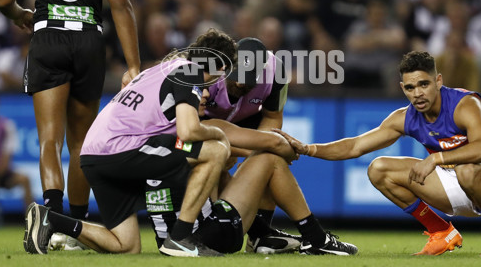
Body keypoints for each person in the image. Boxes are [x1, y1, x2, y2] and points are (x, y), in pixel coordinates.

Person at [0, 0, 140, 250]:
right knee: (81, 143)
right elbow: (121, 8)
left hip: (49, 37)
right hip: (89, 40)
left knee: (49, 139)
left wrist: (20, 15)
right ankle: (73, 226)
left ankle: (50, 214)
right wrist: (134, 65)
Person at [278, 51, 481, 257]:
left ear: (438, 81)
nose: (417, 94)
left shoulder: (464, 104)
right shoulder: (405, 117)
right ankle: (441, 232)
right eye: (410, 87)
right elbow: (355, 146)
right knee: (378, 169)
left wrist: (436, 158)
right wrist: (309, 149)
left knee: (467, 168)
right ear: (402, 88)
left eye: (424, 84)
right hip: (455, 182)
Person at [22, 29, 235, 255]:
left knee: (126, 246)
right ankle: (180, 238)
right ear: (221, 66)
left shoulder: (161, 69)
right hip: (122, 149)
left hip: (95, 156)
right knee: (215, 150)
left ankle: (50, 220)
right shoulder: (189, 71)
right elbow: (189, 130)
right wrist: (219, 135)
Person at [147, 118, 359, 257]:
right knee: (269, 159)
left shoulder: (145, 138)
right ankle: (315, 238)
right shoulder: (197, 127)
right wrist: (293, 150)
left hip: (167, 238)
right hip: (205, 236)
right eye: (195, 90)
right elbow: (275, 144)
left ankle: (262, 234)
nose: (203, 94)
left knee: (223, 165)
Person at [204, 37, 293, 253]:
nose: (242, 83)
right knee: (213, 157)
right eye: (237, 76)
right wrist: (231, 149)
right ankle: (211, 227)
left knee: (269, 157)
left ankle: (258, 238)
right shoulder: (207, 66)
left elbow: (272, 116)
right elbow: (189, 122)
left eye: (249, 78)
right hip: (207, 121)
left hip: (248, 118)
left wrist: (254, 157)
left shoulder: (278, 71)